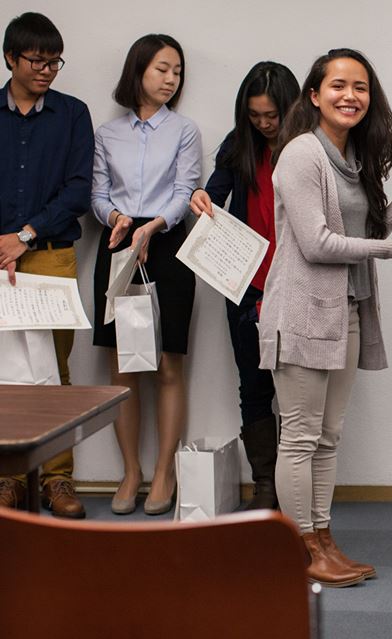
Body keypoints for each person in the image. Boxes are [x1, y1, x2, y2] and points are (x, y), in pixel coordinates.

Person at [260, 48, 392, 586]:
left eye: (360, 87)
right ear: (314, 95)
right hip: (302, 312)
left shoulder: (353, 158)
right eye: (338, 85)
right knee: (299, 436)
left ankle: (322, 538)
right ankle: (301, 547)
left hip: (347, 314)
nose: (350, 95)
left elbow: (361, 225)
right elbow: (317, 243)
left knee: (328, 437)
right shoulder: (300, 154)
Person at [90, 34, 201, 516]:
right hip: (118, 244)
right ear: (138, 70)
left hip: (169, 243)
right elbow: (97, 193)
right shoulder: (106, 134)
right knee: (123, 366)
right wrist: (114, 219)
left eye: (177, 70)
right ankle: (131, 470)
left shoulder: (185, 130)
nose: (171, 78)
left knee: (168, 362)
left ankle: (165, 472)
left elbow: (186, 189)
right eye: (162, 68)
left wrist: (156, 225)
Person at [189, 61, 299, 510]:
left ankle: (296, 489)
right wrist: (201, 199)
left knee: (297, 393)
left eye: (271, 115)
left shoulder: (307, 148)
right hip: (248, 287)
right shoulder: (239, 146)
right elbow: (213, 195)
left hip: (297, 283)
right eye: (255, 116)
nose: (264, 124)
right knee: (253, 387)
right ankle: (265, 487)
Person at [0, 12, 93, 518]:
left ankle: (58, 481)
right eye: (37, 60)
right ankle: (10, 478)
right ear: (11, 57)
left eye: (54, 61)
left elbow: (79, 188)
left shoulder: (73, 114)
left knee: (53, 371)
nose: (47, 70)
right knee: (5, 372)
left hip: (51, 254)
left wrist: (25, 234)